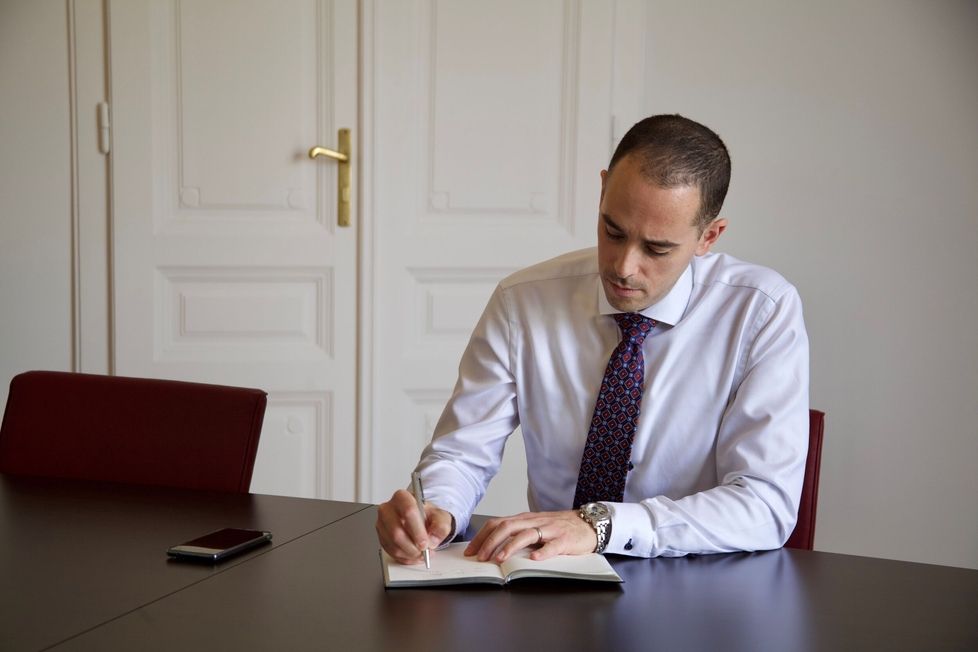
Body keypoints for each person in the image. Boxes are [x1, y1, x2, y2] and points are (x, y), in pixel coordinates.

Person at [376, 114, 809, 564]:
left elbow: (765, 505)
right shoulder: (522, 301)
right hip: (549, 579)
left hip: (696, 582)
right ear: (602, 190)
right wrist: (436, 508)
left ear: (708, 236)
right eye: (612, 231)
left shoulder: (761, 311)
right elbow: (462, 452)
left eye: (657, 248)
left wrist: (602, 525)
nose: (623, 266)